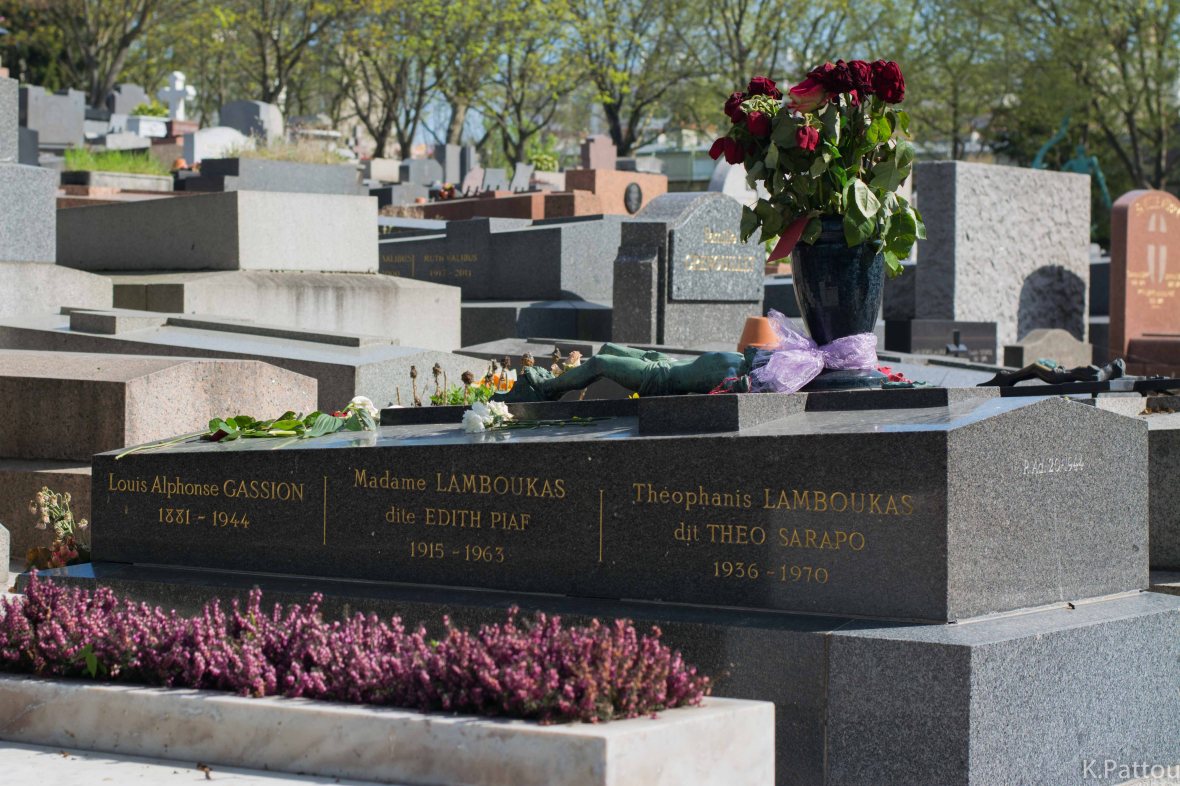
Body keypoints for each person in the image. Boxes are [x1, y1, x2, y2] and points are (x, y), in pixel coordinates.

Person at [502, 343, 754, 401]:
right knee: (608, 347)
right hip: (664, 361)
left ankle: (547, 390)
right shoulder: (740, 358)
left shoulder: (737, 376)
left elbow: (723, 395)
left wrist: (739, 388)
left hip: (659, 378)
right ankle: (562, 377)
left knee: (600, 362)